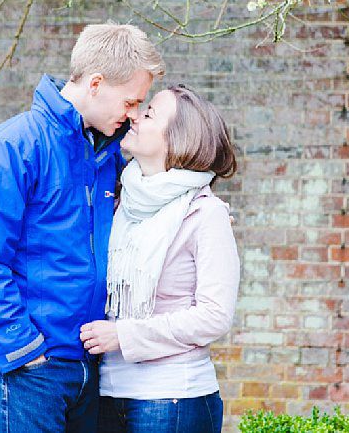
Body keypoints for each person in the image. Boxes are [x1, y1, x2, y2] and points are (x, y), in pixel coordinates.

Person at [0, 23, 165, 433]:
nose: (135, 113)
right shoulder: (12, 147)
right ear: (97, 83)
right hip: (29, 369)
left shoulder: (109, 154)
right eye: (131, 101)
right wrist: (23, 348)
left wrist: (200, 209)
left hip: (90, 366)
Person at [79, 85, 241, 433]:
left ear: (178, 139)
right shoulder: (119, 202)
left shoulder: (205, 214)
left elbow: (215, 316)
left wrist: (125, 335)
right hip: (107, 394)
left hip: (174, 399)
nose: (135, 116)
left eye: (149, 113)